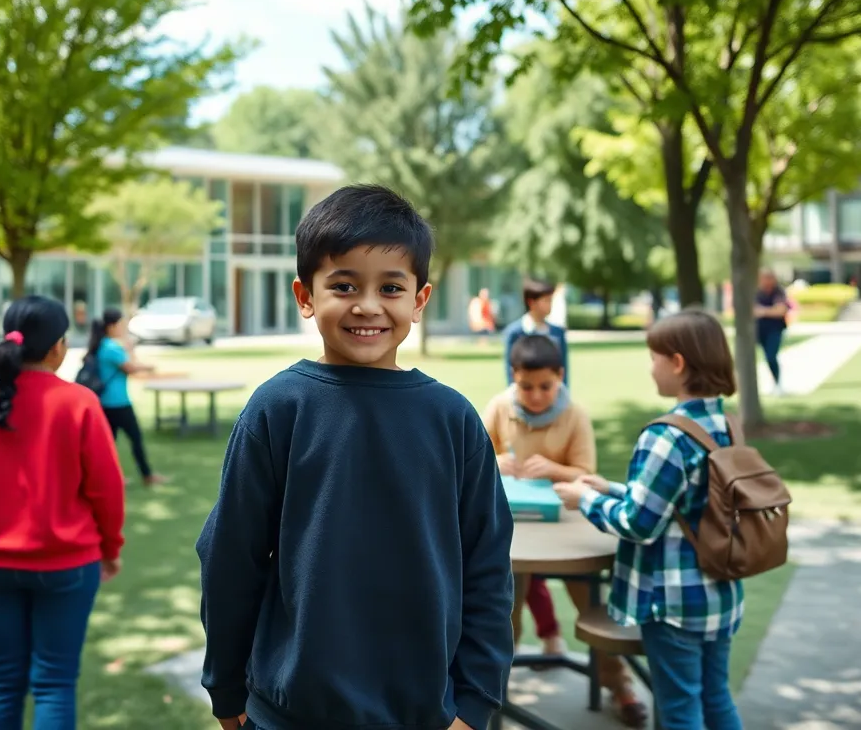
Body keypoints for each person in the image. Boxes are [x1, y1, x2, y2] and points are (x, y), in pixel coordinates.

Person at [196, 184, 515, 730]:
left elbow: (487, 568)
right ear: (305, 295)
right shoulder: (277, 409)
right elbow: (231, 560)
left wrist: (475, 703)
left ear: (419, 299)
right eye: (343, 285)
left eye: (390, 287)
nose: (367, 305)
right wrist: (227, 694)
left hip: (424, 715)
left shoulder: (453, 419)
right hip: (290, 715)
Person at [555, 309, 744, 730]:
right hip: (720, 593)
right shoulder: (725, 423)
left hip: (674, 603)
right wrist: (609, 488)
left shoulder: (665, 435)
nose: (650, 367)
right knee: (716, 699)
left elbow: (639, 523)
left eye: (653, 357)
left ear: (677, 363)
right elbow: (684, 504)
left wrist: (584, 499)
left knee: (680, 712)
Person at [0, 295, 125, 730]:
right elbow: (106, 488)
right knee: (54, 684)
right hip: (67, 563)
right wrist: (110, 547)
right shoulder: (78, 402)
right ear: (56, 348)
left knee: (3, 683)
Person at [482, 334, 646, 727]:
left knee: (591, 602)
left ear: (560, 376)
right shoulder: (500, 407)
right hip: (514, 529)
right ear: (512, 376)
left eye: (545, 386)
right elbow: (471, 460)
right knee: (501, 608)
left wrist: (553, 470)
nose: (535, 396)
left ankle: (618, 684)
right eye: (526, 386)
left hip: (569, 528)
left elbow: (588, 477)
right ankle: (489, 695)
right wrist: (493, 461)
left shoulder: (575, 413)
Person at [87, 308, 165, 485]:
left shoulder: (102, 345)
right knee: (135, 439)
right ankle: (147, 475)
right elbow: (131, 367)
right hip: (119, 403)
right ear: (112, 326)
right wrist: (148, 365)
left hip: (106, 402)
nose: (123, 328)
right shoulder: (111, 347)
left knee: (109, 444)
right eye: (121, 324)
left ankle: (113, 477)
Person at [503, 278, 569, 385]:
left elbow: (563, 369)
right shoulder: (515, 332)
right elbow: (511, 370)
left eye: (551, 300)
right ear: (531, 302)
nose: (550, 304)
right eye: (546, 300)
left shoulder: (557, 332)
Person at [753, 269, 788, 396]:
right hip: (758, 329)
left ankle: (778, 384)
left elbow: (781, 310)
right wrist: (770, 311)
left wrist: (762, 311)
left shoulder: (778, 292)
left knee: (771, 356)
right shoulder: (755, 292)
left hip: (775, 329)